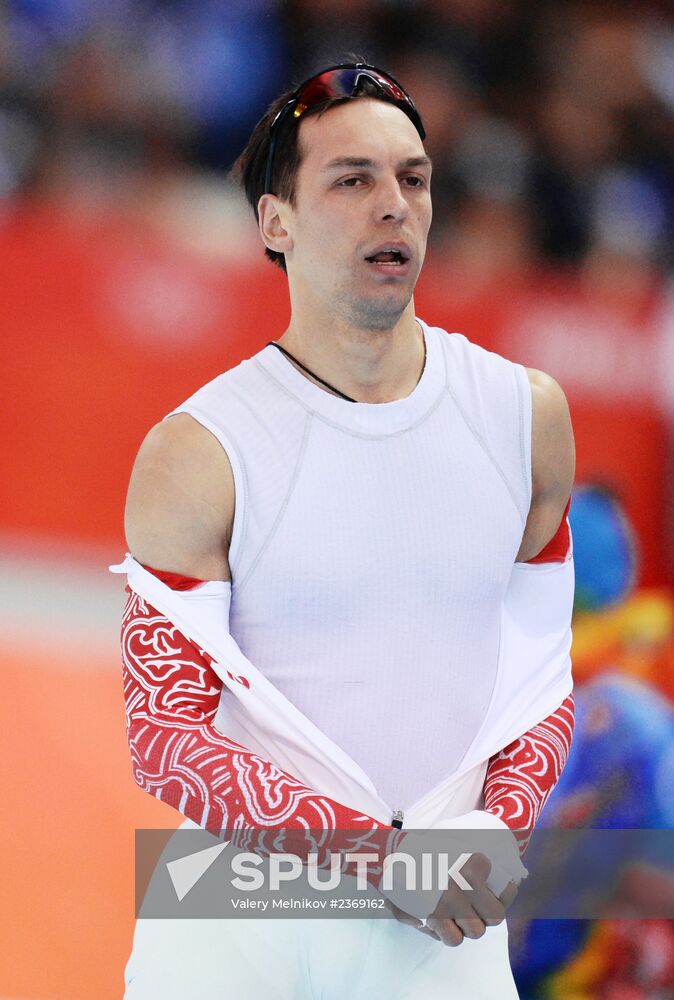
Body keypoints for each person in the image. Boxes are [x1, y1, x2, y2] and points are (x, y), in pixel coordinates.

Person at [116, 64, 576, 998]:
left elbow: (538, 675)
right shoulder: (198, 451)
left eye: (413, 178)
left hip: (440, 926)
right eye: (352, 179)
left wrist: (501, 827)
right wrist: (386, 861)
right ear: (274, 222)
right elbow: (164, 735)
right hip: (233, 917)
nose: (394, 207)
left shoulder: (525, 417)